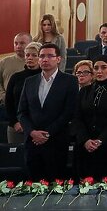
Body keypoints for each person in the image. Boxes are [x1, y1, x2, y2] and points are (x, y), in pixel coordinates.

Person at [17, 43, 78, 180]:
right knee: (33, 186)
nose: (45, 59)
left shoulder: (70, 81)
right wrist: (32, 132)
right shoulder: (29, 81)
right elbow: (22, 112)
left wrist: (46, 134)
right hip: (32, 143)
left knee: (55, 185)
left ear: (58, 59)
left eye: (50, 56)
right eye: (42, 56)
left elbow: (68, 112)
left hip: (56, 142)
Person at [72, 55, 107, 179]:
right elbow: (77, 118)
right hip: (86, 148)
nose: (99, 71)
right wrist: (86, 140)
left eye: (103, 67)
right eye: (96, 68)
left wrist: (100, 140)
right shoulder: (84, 91)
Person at [5, 42, 41, 144]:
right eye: (27, 55)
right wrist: (15, 122)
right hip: (17, 127)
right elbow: (9, 102)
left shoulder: (45, 78)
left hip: (38, 128)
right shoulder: (16, 77)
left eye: (34, 55)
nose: (30, 58)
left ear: (41, 57)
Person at [0, 33, 31, 116]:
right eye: (16, 43)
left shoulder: (35, 63)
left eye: (22, 43)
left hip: (29, 106)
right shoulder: (4, 62)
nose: (18, 46)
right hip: (6, 104)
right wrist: (3, 96)